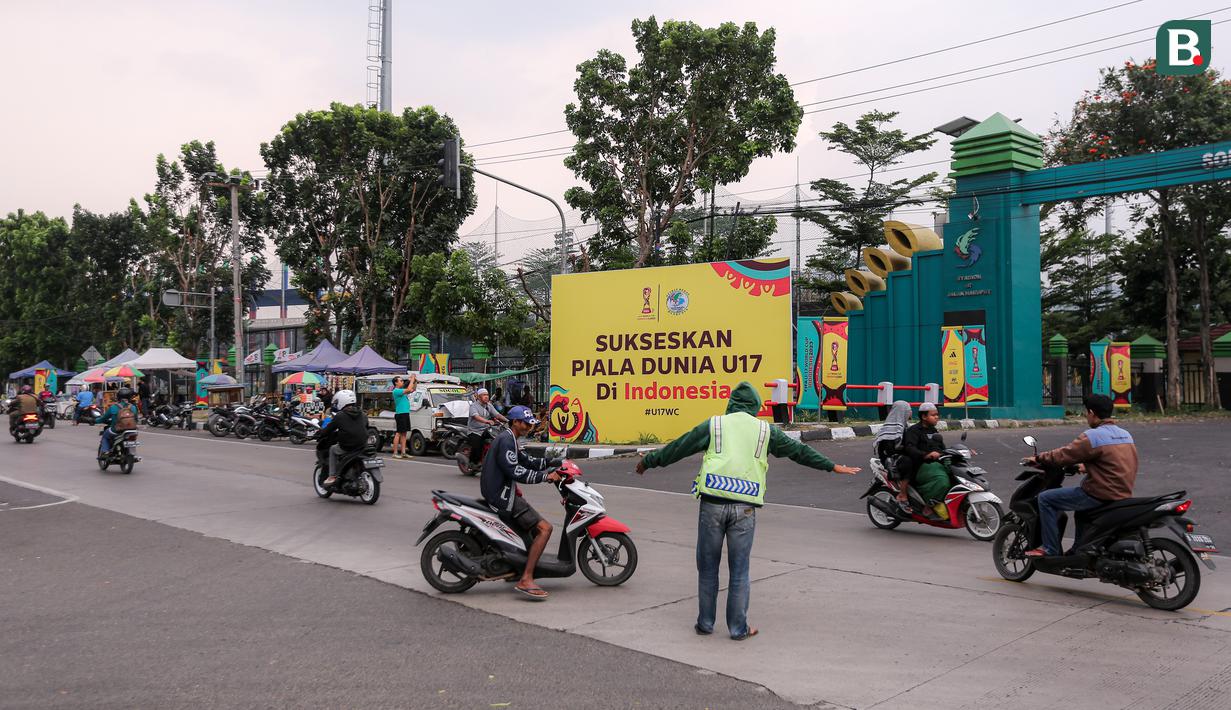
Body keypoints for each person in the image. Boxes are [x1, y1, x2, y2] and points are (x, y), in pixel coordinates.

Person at [636, 382, 861, 640]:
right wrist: (831, 466)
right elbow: (799, 451)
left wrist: (649, 461)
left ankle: (705, 624)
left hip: (713, 504)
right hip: (745, 508)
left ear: (731, 403)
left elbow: (680, 447)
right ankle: (738, 629)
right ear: (755, 405)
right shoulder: (766, 431)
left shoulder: (715, 425)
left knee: (708, 568)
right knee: (740, 570)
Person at [1024, 394, 1137, 558]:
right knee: (1081, 512)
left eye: (1086, 413)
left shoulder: (1092, 436)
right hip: (1123, 491)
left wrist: (1039, 458)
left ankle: (1051, 549)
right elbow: (1115, 461)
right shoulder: (1125, 434)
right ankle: (1078, 550)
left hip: (1100, 493)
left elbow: (1064, 454)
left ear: (1091, 413)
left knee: (1045, 499)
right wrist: (1086, 466)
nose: (1086, 416)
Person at [479, 405, 562, 600]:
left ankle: (519, 566)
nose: (529, 427)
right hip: (503, 496)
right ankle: (526, 578)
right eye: (525, 423)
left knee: (531, 531)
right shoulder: (507, 440)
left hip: (503, 491)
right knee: (545, 529)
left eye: (530, 423)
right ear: (515, 422)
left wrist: (554, 461)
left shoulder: (511, 438)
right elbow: (515, 470)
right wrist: (545, 477)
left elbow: (528, 461)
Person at [899, 402, 951, 519]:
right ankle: (928, 505)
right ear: (924, 417)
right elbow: (910, 448)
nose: (937, 417)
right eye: (933, 415)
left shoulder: (934, 431)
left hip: (936, 464)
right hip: (920, 466)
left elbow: (942, 448)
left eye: (937, 415)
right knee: (942, 481)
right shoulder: (914, 431)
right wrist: (926, 455)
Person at [316, 389, 368, 488]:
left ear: (342, 401)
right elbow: (366, 426)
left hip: (348, 446)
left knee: (332, 449)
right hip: (363, 444)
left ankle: (332, 476)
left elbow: (328, 429)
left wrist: (320, 433)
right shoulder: (362, 413)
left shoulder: (340, 415)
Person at [872, 400, 912, 507]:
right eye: (908, 410)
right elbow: (890, 451)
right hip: (892, 460)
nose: (910, 413)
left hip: (901, 457)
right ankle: (903, 494)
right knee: (909, 464)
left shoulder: (905, 427)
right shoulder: (889, 429)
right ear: (902, 412)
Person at [466, 387, 507, 465]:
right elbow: (476, 417)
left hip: (487, 429)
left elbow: (497, 415)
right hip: (475, 431)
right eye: (483, 395)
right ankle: (473, 463)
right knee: (478, 446)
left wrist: (507, 420)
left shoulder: (489, 405)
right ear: (478, 397)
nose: (486, 396)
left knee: (498, 439)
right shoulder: (473, 406)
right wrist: (487, 421)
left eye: (487, 395)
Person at [97, 387, 139, 456]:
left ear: (118, 397)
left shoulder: (113, 407)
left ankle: (105, 452)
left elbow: (103, 418)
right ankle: (132, 454)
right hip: (131, 430)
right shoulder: (133, 407)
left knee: (105, 435)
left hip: (116, 430)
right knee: (132, 438)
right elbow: (136, 419)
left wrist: (96, 420)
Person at [389, 374, 418, 459]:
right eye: (400, 381)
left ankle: (403, 452)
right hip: (400, 414)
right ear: (396, 383)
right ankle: (395, 453)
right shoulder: (396, 391)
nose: (402, 382)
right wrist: (412, 379)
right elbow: (409, 389)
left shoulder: (402, 390)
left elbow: (413, 389)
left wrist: (414, 381)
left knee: (404, 434)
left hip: (405, 413)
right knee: (398, 433)